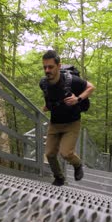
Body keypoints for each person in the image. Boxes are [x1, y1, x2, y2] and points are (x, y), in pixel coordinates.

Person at [39, 50, 95, 186]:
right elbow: (51, 97)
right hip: (55, 123)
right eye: (45, 67)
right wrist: (47, 106)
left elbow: (91, 87)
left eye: (51, 67)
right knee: (50, 154)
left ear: (59, 66)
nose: (47, 70)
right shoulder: (43, 84)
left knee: (66, 153)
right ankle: (59, 177)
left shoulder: (72, 81)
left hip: (72, 123)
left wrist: (78, 98)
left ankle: (78, 165)